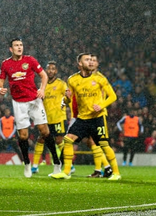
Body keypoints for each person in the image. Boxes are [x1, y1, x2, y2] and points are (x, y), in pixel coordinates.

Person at [0, 38, 61, 178]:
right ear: (11, 49)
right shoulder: (6, 64)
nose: (19, 47)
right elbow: (0, 80)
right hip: (19, 103)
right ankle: (27, 164)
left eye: (21, 45)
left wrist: (42, 89)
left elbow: (43, 75)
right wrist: (0, 88)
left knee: (44, 131)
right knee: (23, 136)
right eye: (16, 46)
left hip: (35, 100)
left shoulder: (30, 60)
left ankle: (56, 163)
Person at [51, 53, 121, 181]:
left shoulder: (100, 78)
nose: (90, 62)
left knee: (104, 144)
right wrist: (66, 98)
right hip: (83, 118)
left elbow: (113, 96)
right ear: (80, 64)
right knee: (68, 139)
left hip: (97, 117)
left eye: (91, 60)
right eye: (87, 60)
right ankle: (66, 172)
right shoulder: (72, 80)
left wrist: (101, 105)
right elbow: (68, 101)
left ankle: (116, 173)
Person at [31, 61, 67, 174]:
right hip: (45, 118)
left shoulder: (61, 84)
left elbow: (68, 96)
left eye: (53, 69)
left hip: (58, 117)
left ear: (56, 71)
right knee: (40, 139)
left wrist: (64, 104)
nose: (50, 71)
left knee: (59, 141)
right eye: (49, 68)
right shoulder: (43, 84)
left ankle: (69, 166)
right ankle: (35, 166)